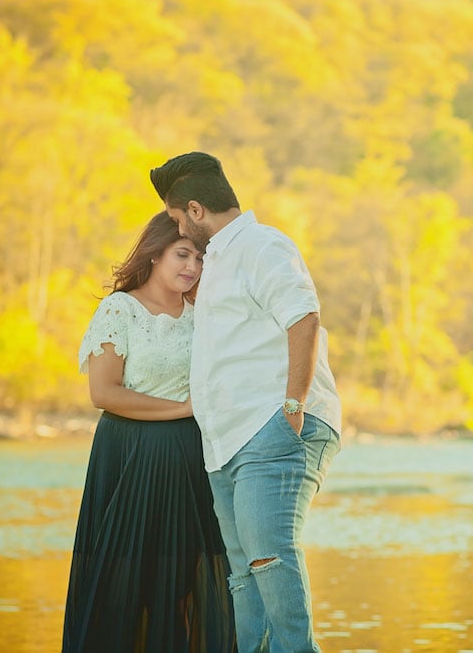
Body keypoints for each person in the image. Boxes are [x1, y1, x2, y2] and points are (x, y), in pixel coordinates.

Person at [150, 152, 342, 653]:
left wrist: (292, 406)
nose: (179, 233)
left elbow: (304, 317)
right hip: (227, 444)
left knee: (269, 559)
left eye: (176, 221)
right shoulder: (216, 265)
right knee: (244, 574)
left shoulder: (262, 245)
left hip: (272, 429)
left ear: (195, 210)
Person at [62, 211, 235, 653]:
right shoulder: (120, 309)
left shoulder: (204, 315)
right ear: (155, 254)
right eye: (183, 255)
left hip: (189, 458)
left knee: (180, 581)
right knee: (124, 581)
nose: (192, 268)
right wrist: (181, 408)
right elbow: (104, 393)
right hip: (129, 455)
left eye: (200, 259)